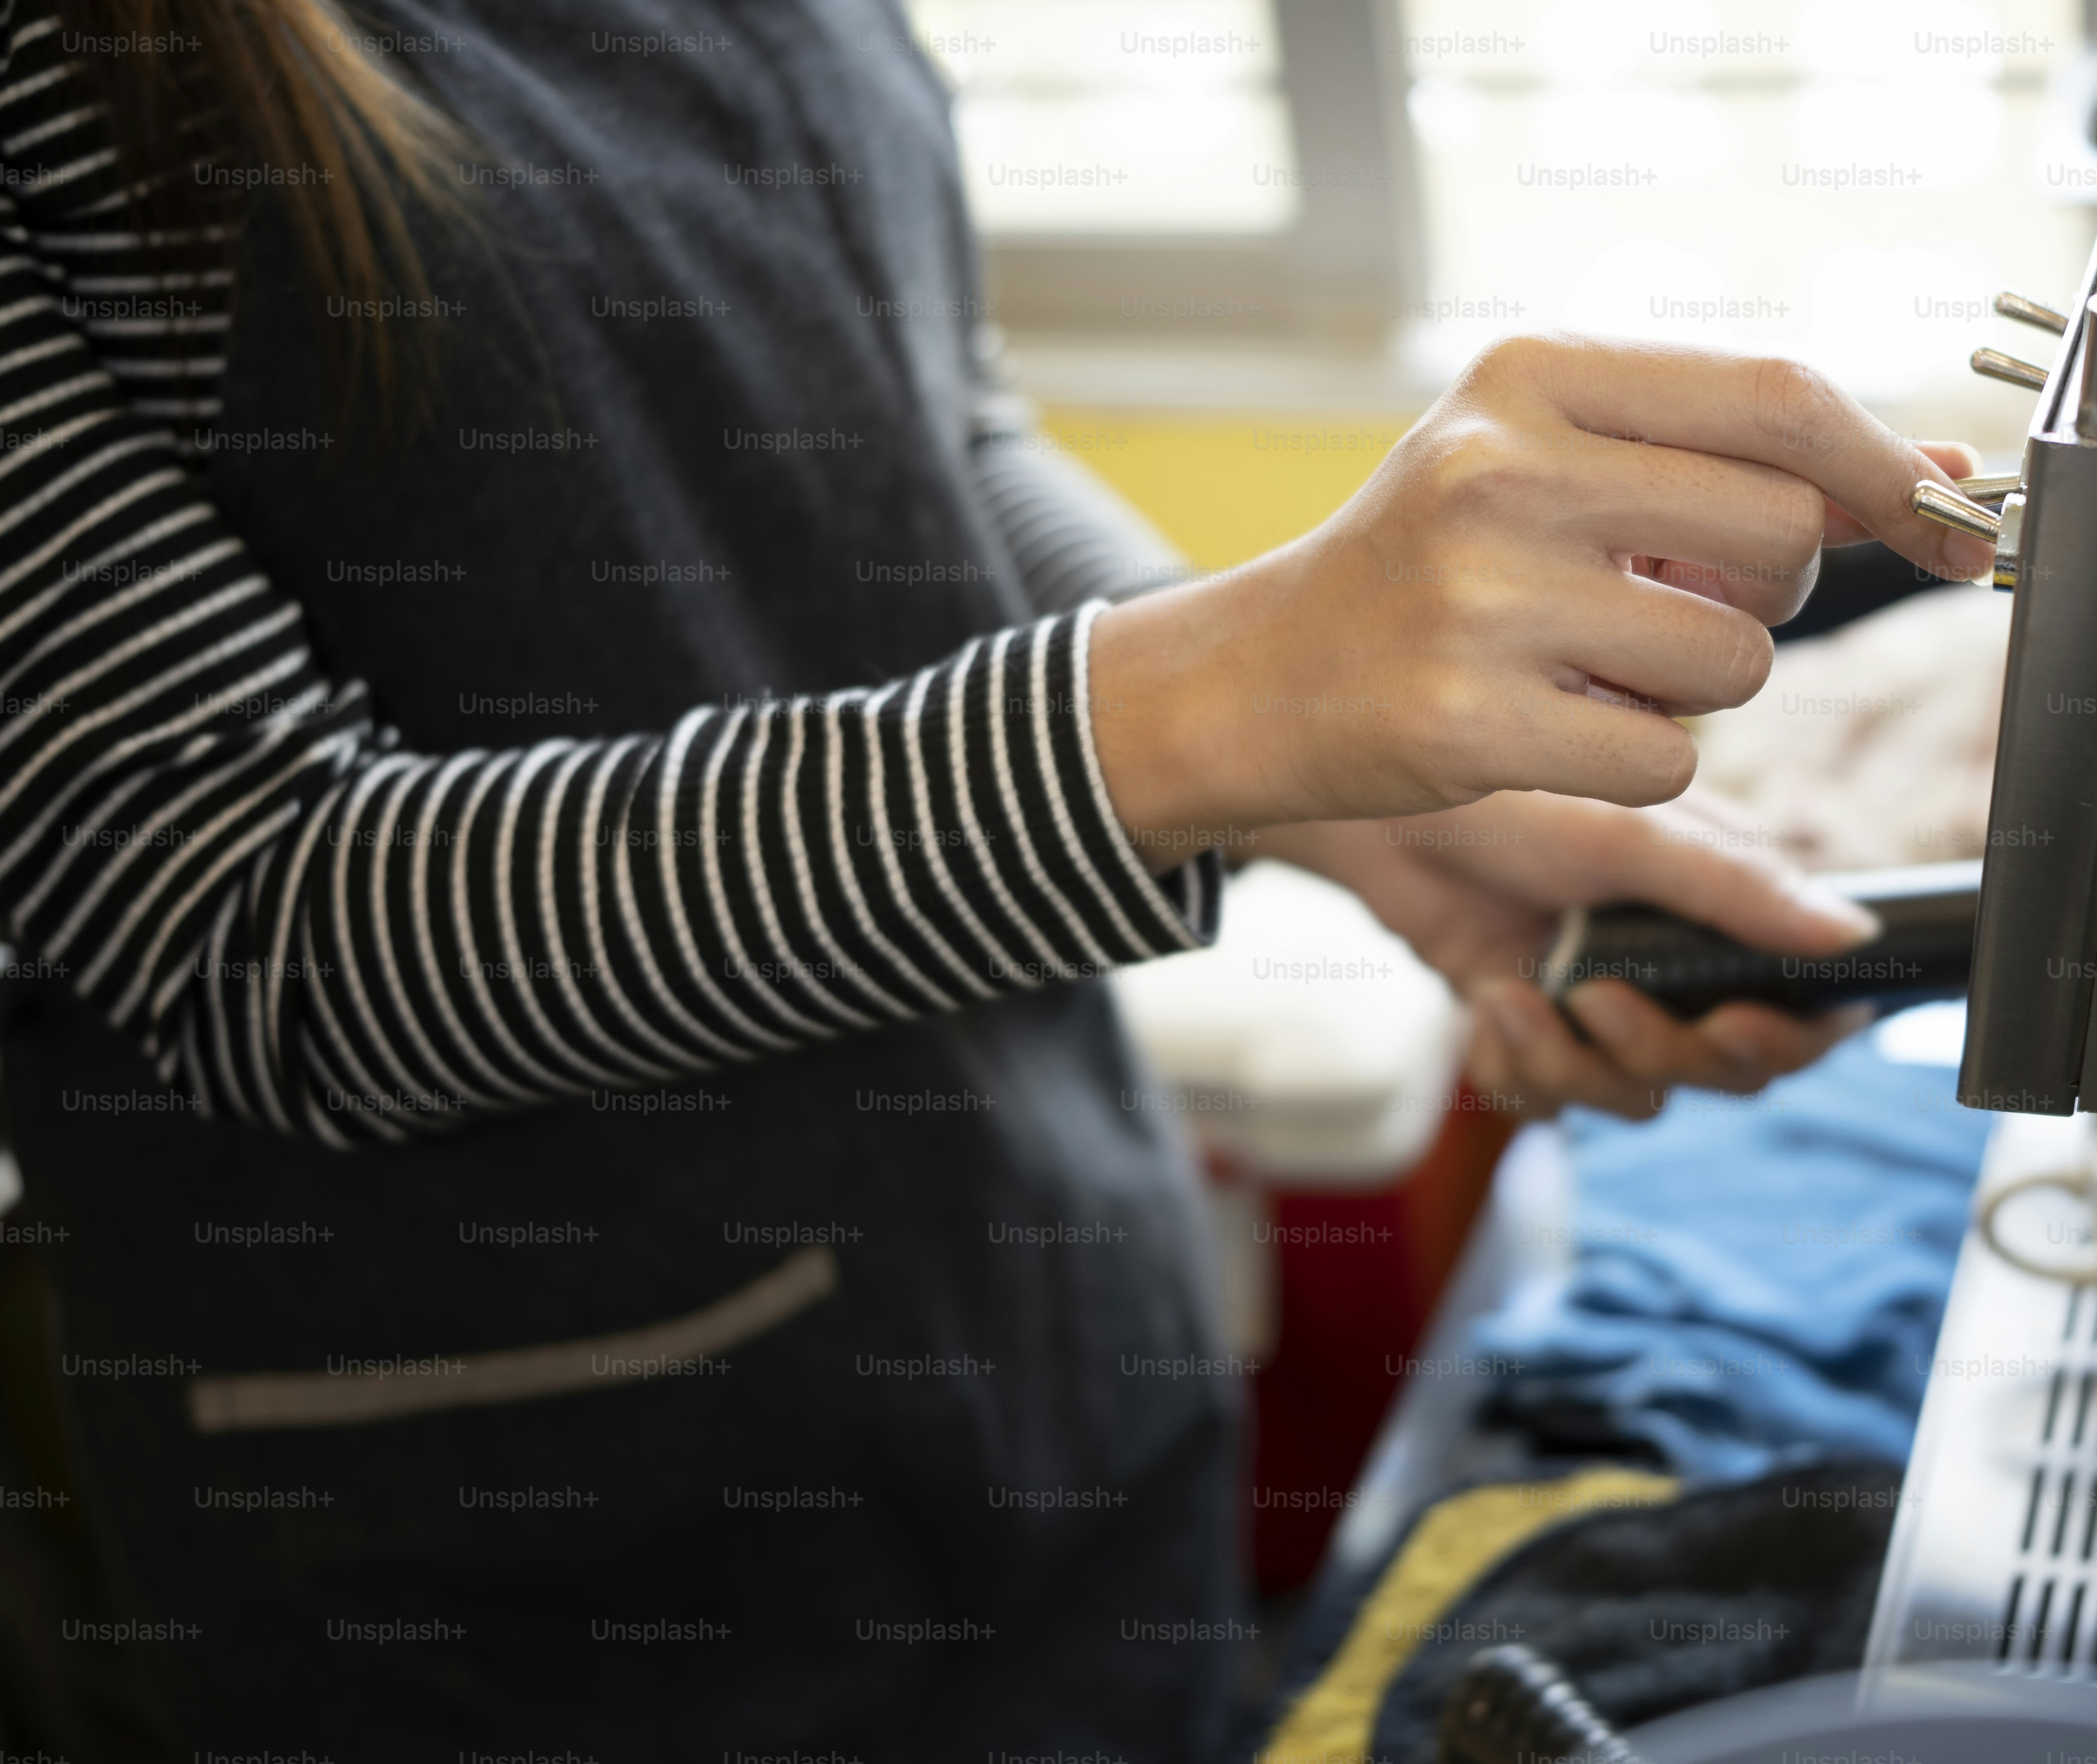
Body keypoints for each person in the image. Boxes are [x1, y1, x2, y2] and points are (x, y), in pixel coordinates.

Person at [0, 2, 1992, 1755]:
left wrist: (1351, 791)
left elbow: (931, 435)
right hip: (541, 1544)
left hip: (1033, 1300)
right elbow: (250, 929)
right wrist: (1219, 698)